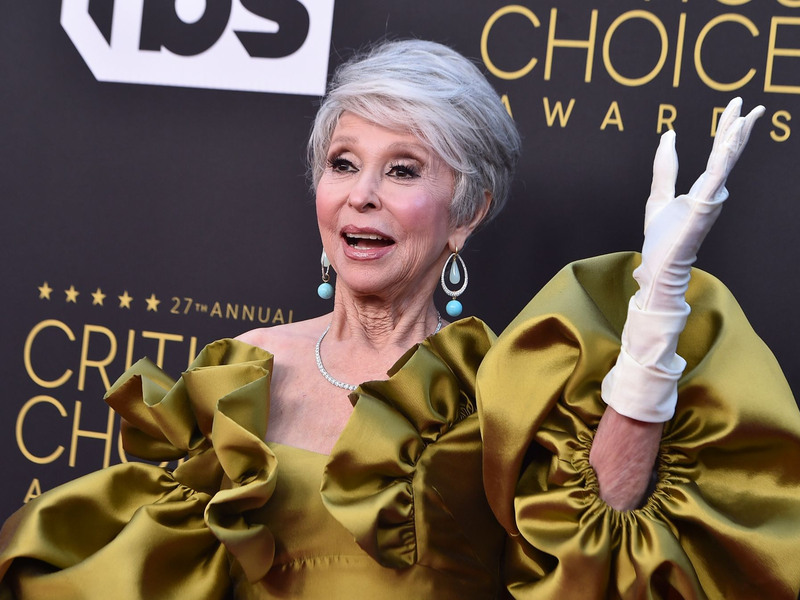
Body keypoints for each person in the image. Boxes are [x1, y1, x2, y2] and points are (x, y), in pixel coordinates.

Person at [1, 40, 799, 600]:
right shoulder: (240, 369)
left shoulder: (504, 386)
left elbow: (603, 546)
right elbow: (154, 571)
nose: (362, 193)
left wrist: (656, 310)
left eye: (404, 169)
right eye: (343, 163)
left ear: (466, 212)